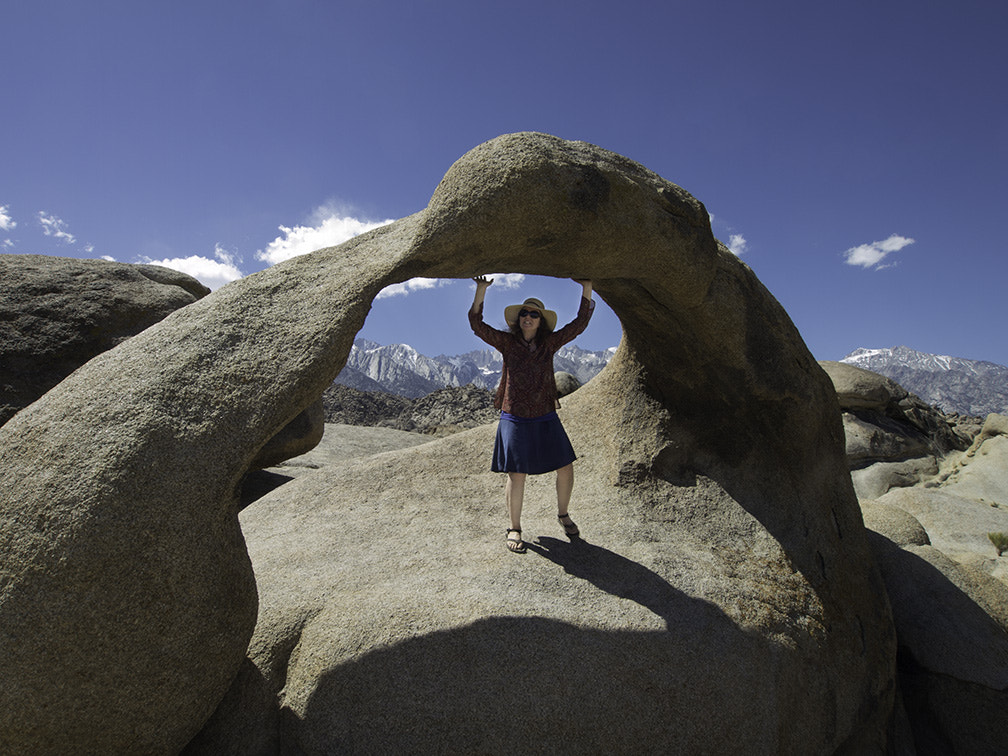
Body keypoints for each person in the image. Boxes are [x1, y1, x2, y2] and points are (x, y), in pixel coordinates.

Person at [469, 276, 595, 553]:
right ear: (518, 319)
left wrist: (586, 287)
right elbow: (477, 325)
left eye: (534, 314)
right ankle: (514, 528)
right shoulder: (506, 343)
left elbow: (579, 325)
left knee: (565, 466)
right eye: (524, 313)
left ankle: (563, 514)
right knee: (517, 473)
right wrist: (481, 291)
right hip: (513, 414)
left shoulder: (549, 344)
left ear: (541, 321)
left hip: (544, 414)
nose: (528, 317)